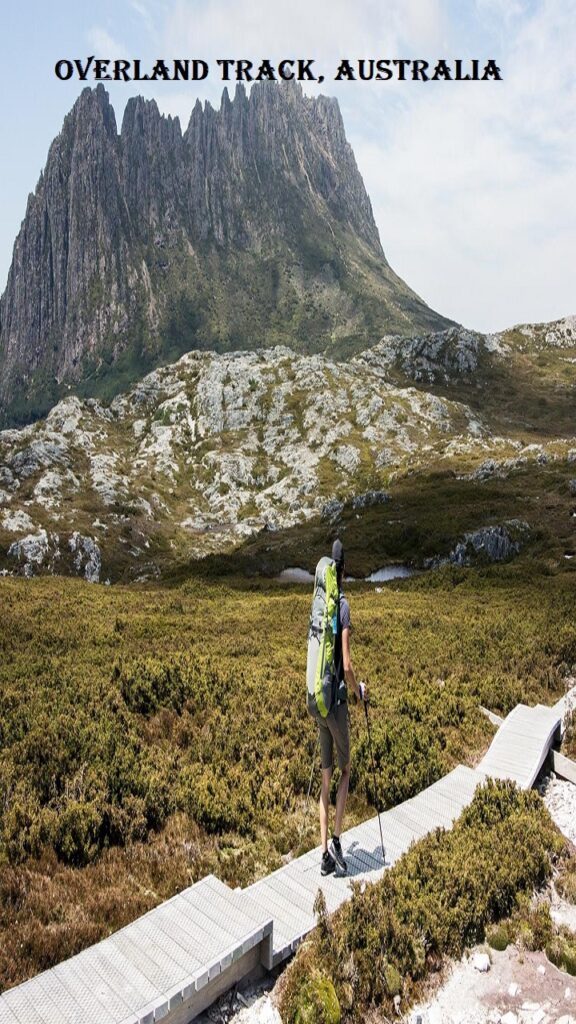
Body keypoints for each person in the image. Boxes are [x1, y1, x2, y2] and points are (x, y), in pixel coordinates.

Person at [316, 538, 367, 876]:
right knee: (345, 770)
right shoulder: (343, 607)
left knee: (325, 776)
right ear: (344, 569)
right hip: (336, 702)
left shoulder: (319, 605)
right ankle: (336, 840)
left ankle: (322, 856)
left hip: (317, 699)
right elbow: (346, 664)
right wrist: (358, 690)